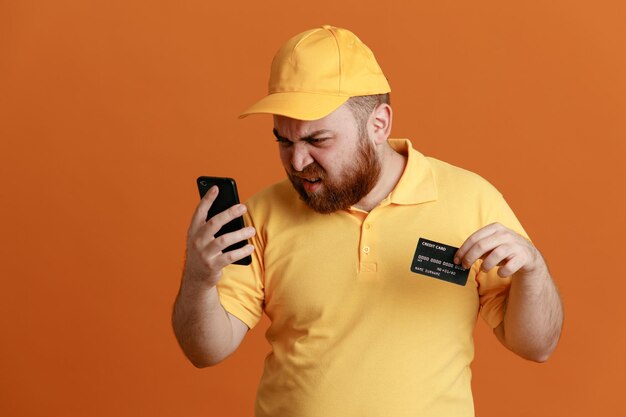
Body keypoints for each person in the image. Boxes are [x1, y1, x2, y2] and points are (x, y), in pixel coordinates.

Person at [172, 25, 563, 417]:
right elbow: (206, 351)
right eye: (285, 141)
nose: (297, 162)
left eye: (317, 140)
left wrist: (534, 270)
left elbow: (537, 346)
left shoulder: (472, 200)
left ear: (378, 125)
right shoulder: (261, 216)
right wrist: (198, 277)